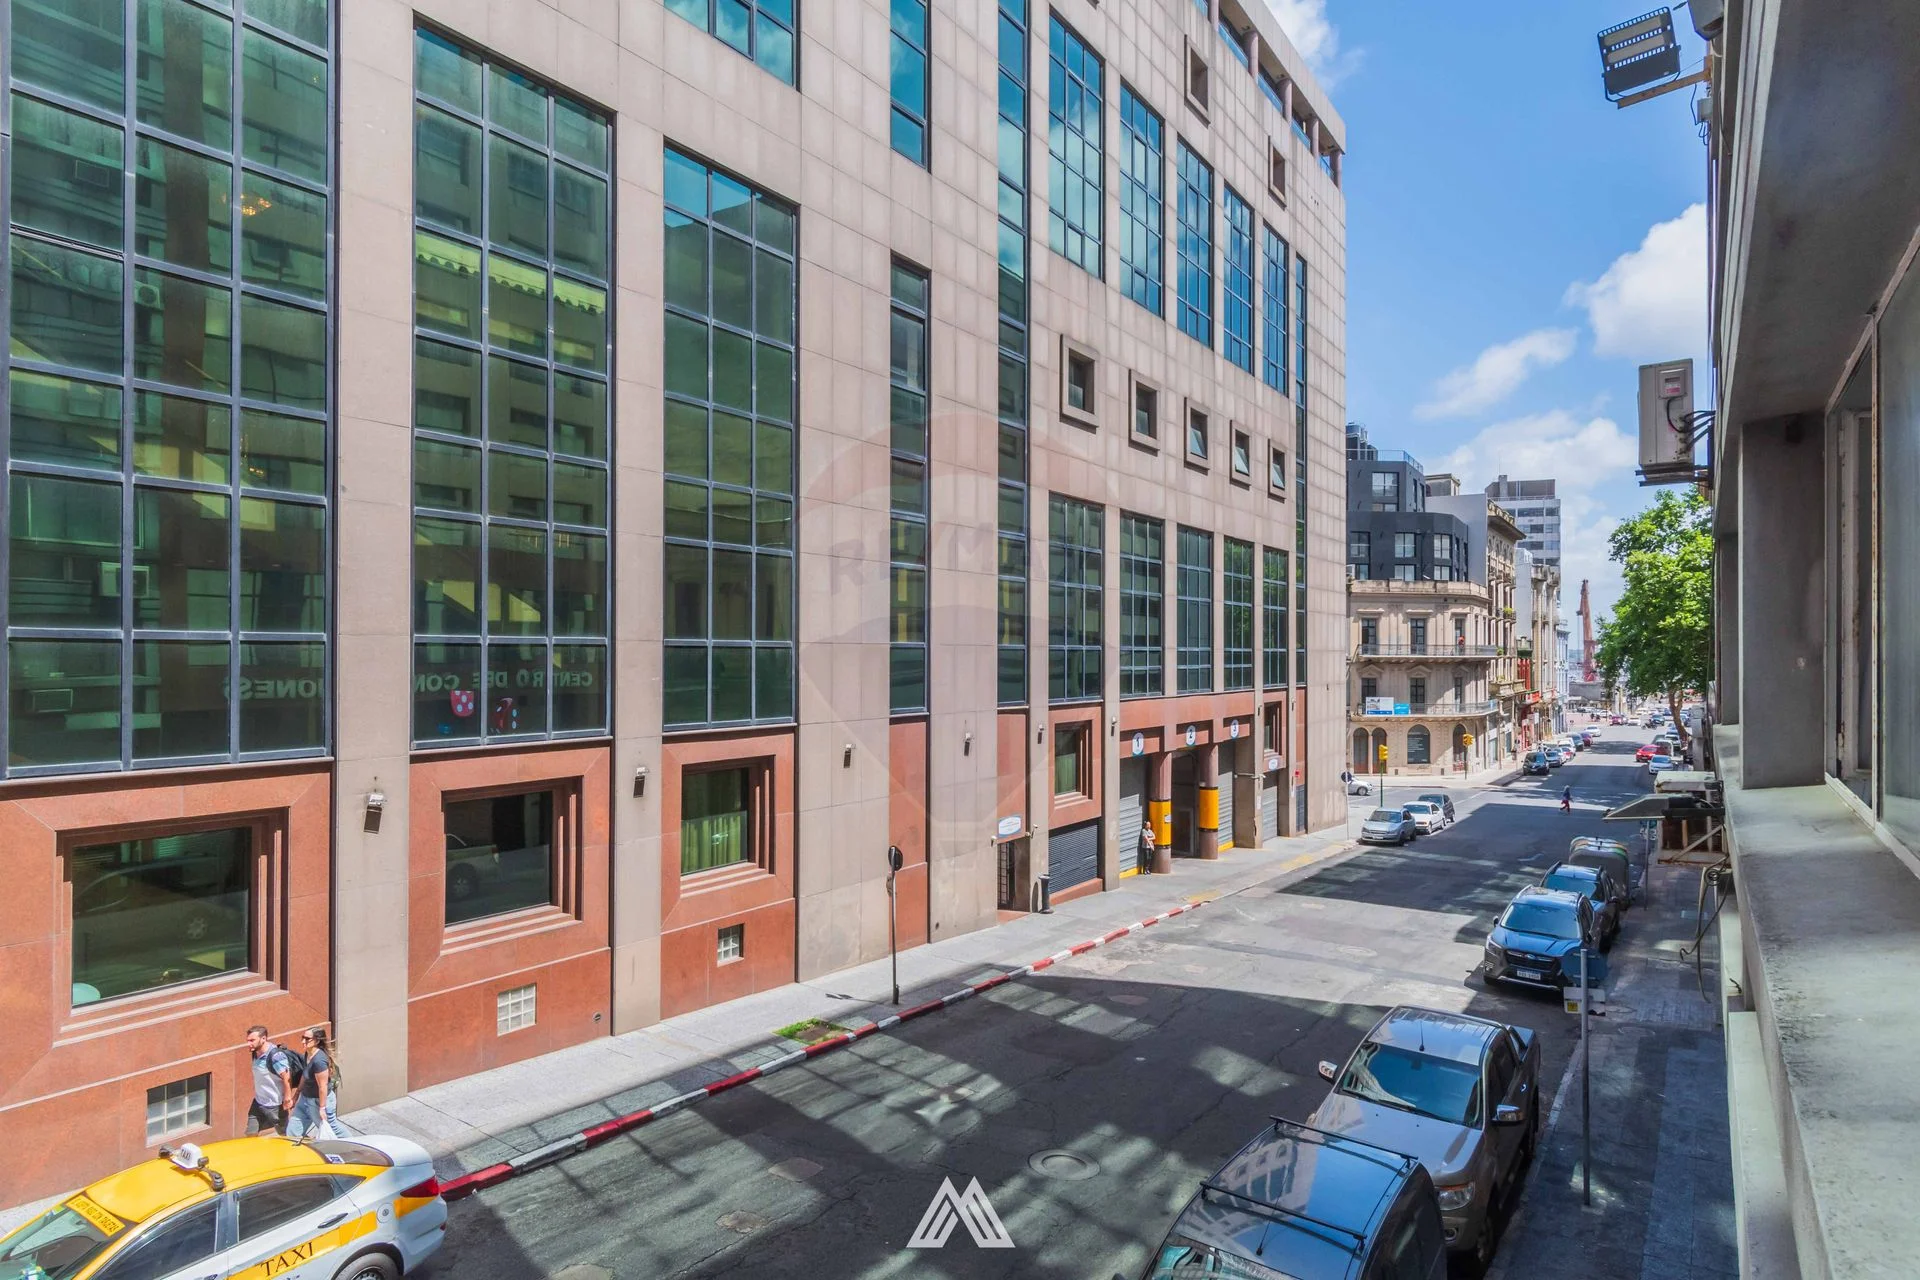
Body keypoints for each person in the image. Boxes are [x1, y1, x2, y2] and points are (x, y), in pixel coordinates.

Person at [287, 1027, 341, 1139]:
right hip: (305, 1099)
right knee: (293, 1131)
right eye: (303, 1038)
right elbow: (305, 1075)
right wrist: (296, 1095)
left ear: (316, 1041)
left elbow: (322, 1086)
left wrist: (322, 1108)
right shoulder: (308, 1054)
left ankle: (355, 1143)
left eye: (307, 1039)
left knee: (333, 1130)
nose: (303, 1041)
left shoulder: (319, 1061)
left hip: (318, 1102)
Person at [244, 1026, 294, 1135]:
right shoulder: (255, 1052)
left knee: (285, 1134)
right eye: (248, 1040)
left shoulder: (276, 1056)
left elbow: (287, 1078)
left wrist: (287, 1098)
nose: (249, 1044)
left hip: (275, 1105)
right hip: (258, 1102)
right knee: (251, 1133)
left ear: (263, 1039)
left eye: (252, 1040)